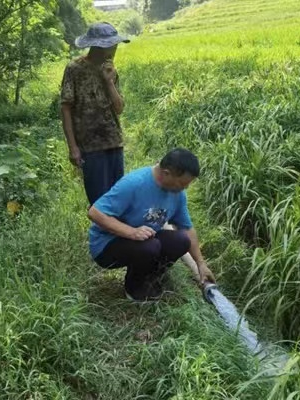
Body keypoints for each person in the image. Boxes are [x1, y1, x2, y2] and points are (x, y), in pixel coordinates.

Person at [87, 148, 216, 301]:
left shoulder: (177, 194)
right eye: (182, 183)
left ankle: (148, 279)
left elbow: (187, 228)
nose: (185, 188)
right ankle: (134, 289)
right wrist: (131, 232)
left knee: (181, 240)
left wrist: (200, 263)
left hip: (142, 242)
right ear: (167, 173)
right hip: (106, 246)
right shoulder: (134, 183)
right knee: (150, 246)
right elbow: (94, 212)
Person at [60, 22, 130, 205]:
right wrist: (72, 147)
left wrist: (109, 82)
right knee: (99, 202)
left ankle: (118, 233)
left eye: (115, 44)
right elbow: (66, 108)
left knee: (118, 198)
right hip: (89, 146)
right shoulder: (74, 69)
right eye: (111, 45)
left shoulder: (111, 71)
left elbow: (119, 108)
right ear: (98, 46)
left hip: (113, 141)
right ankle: (101, 233)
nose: (114, 49)